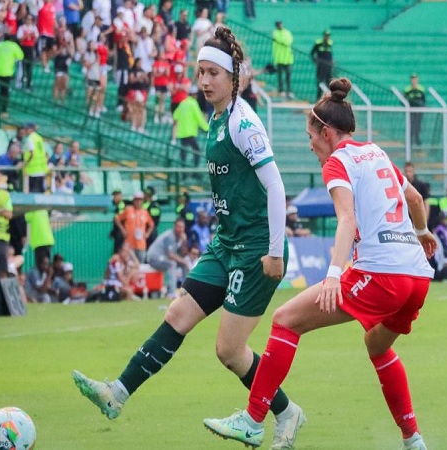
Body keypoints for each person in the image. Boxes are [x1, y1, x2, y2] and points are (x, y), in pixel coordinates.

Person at [72, 28, 305, 450]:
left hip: (255, 250)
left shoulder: (243, 122)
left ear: (233, 76)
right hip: (226, 243)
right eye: (200, 73)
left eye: (213, 73)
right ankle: (116, 394)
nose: (204, 81)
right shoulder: (215, 117)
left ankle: (287, 412)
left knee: (229, 350)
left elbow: (276, 187)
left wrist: (274, 250)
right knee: (177, 315)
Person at [203, 77, 436, 450]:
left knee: (285, 320)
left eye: (310, 135)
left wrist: (332, 276)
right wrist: (423, 232)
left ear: (326, 132)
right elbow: (415, 199)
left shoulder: (337, 162)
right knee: (378, 346)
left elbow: (346, 219)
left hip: (382, 274)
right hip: (417, 277)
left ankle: (252, 419)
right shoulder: (376, 152)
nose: (309, 144)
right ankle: (413, 440)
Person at [146, 218, 190, 298]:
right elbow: (170, 255)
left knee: (183, 264)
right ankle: (171, 292)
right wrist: (184, 261)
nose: (180, 229)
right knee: (172, 264)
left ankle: (185, 291)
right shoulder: (169, 236)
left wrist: (184, 242)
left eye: (182, 227)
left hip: (164, 258)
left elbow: (182, 254)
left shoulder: (180, 237)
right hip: (154, 258)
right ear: (174, 227)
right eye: (178, 227)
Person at [115, 191, 154, 262]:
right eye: (136, 200)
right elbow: (117, 218)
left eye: (140, 200)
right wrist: (123, 230)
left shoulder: (145, 212)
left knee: (141, 263)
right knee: (128, 262)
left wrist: (147, 234)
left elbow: (151, 224)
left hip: (141, 243)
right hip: (129, 243)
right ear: (134, 200)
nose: (138, 202)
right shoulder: (128, 210)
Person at [172, 93, 209, 167]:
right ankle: (195, 171)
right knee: (197, 151)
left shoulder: (183, 103)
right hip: (190, 132)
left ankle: (184, 172)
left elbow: (175, 115)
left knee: (183, 152)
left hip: (182, 133)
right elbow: (199, 118)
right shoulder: (193, 103)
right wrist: (207, 128)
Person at [0, 34, 24, 116]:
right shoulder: (13, 46)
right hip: (8, 71)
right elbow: (21, 56)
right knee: (6, 91)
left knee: (0, 90)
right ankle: (4, 110)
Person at [21, 123, 49, 193]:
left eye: (27, 129)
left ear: (31, 129)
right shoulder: (39, 138)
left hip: (33, 170)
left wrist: (25, 163)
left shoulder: (30, 139)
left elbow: (31, 153)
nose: (25, 131)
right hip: (41, 169)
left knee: (34, 192)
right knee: (40, 191)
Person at [272, 20, 294, 99]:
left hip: (288, 58)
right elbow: (280, 40)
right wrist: (284, 41)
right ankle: (281, 90)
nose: (280, 26)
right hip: (279, 58)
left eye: (280, 24)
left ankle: (289, 90)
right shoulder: (275, 33)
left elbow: (289, 41)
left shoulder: (287, 32)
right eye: (278, 25)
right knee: (280, 76)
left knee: (288, 75)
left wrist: (284, 41)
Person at [310, 30, 333, 100]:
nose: (327, 37)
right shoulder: (318, 43)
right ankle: (318, 99)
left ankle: (329, 99)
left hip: (328, 66)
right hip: (320, 66)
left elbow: (330, 54)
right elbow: (312, 53)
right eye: (326, 35)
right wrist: (315, 61)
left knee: (328, 82)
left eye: (328, 35)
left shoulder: (330, 43)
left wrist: (331, 61)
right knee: (319, 82)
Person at [403, 73, 425, 147]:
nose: (414, 80)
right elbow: (403, 100)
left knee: (418, 125)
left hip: (418, 111)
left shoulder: (421, 89)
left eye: (415, 78)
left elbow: (424, 100)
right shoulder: (407, 89)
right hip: (410, 111)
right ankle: (410, 140)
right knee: (411, 125)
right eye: (413, 79)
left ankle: (417, 139)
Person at [109, 189, 127, 253]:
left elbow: (120, 220)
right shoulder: (119, 206)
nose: (114, 198)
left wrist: (115, 231)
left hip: (121, 232)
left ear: (121, 196)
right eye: (114, 196)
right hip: (119, 231)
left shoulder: (121, 205)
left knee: (119, 251)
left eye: (116, 195)